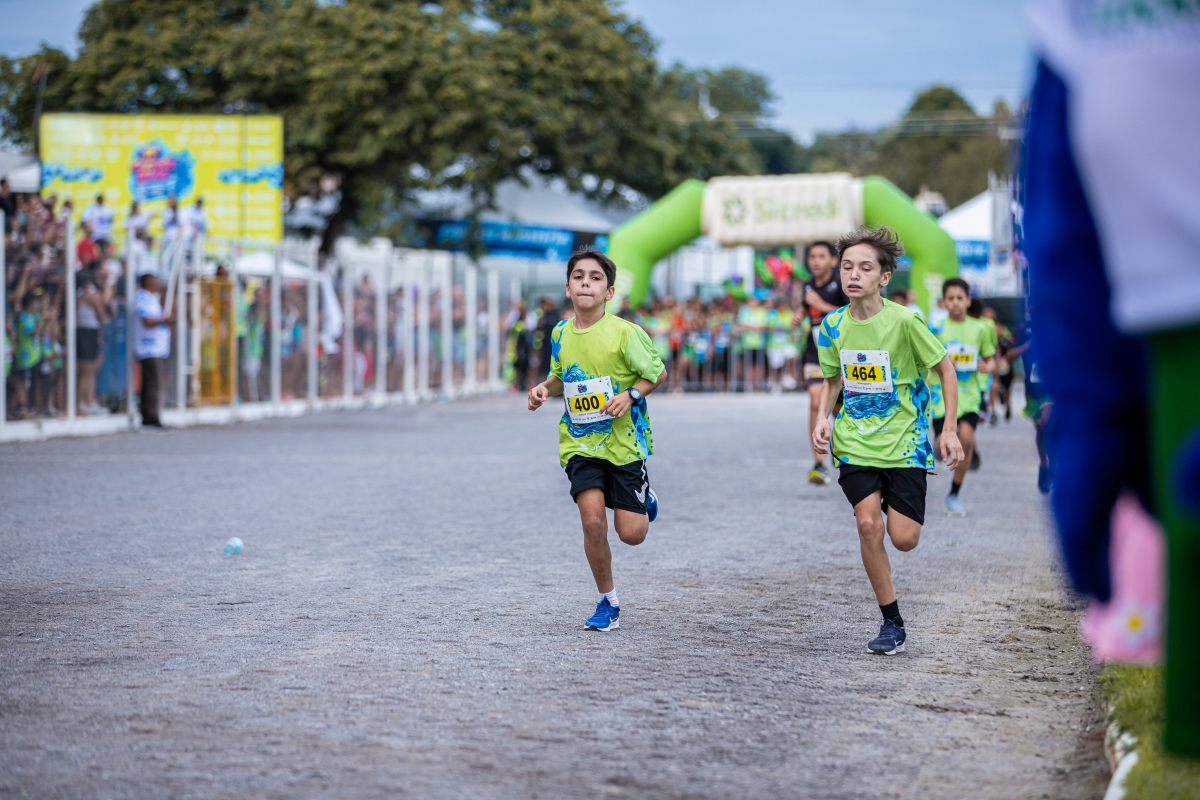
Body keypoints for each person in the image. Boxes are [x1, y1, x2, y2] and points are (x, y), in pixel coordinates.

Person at [812, 225, 963, 656]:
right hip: (855, 442)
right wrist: (823, 418)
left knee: (904, 538)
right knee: (867, 525)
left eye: (865, 268)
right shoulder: (832, 325)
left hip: (904, 443)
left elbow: (946, 370)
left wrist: (948, 429)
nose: (853, 274)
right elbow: (832, 379)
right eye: (847, 267)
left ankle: (891, 501)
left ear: (884, 277)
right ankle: (891, 622)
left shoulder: (905, 321)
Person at [527, 249, 666, 632]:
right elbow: (560, 376)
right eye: (579, 276)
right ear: (568, 288)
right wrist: (544, 388)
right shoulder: (560, 332)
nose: (586, 282)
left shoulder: (625, 333)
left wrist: (630, 395)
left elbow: (657, 373)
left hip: (624, 443)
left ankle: (643, 498)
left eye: (595, 277)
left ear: (609, 291)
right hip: (580, 442)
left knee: (631, 534)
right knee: (592, 523)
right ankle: (608, 601)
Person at [927, 279, 996, 516]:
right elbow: (924, 360)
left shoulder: (980, 328)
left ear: (968, 300)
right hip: (941, 398)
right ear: (944, 302)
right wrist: (944, 366)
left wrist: (987, 366)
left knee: (965, 439)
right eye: (950, 298)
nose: (955, 303)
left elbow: (991, 359)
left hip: (970, 396)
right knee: (942, 444)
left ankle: (954, 494)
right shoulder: (935, 328)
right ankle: (937, 446)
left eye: (960, 298)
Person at [800, 240, 848, 485]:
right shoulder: (807, 285)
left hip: (840, 356)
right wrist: (799, 314)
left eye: (821, 256)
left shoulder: (841, 284)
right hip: (814, 354)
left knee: (839, 411)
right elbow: (806, 310)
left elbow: (849, 313)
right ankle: (819, 464)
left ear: (833, 260)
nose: (815, 261)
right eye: (812, 257)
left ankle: (849, 454)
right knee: (816, 400)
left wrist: (822, 305)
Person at [133, 271, 173, 430]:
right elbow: (148, 322)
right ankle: (150, 419)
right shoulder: (143, 299)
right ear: (149, 283)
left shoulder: (151, 298)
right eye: (156, 281)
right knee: (152, 384)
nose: (158, 284)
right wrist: (165, 320)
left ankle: (150, 417)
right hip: (148, 348)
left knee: (152, 383)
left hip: (155, 348)